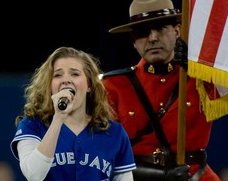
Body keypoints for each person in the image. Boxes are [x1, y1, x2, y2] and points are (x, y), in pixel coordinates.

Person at [102, 0, 228, 181]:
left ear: (178, 31)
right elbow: (103, 152)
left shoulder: (201, 77)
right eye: (142, 32)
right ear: (133, 40)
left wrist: (204, 59)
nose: (152, 38)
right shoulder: (115, 85)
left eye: (160, 28)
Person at [10, 46, 136, 181]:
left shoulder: (115, 132)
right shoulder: (32, 125)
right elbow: (34, 175)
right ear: (49, 85)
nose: (66, 80)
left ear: (89, 85)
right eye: (58, 75)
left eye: (75, 74)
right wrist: (58, 118)